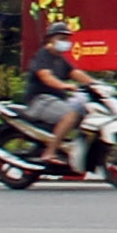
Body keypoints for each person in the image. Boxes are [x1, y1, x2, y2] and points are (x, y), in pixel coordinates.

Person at [25, 23, 95, 169]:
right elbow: (45, 76)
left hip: (57, 100)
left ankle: (72, 150)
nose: (65, 42)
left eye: (66, 39)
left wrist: (94, 84)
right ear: (50, 39)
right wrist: (64, 85)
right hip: (40, 100)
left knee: (86, 113)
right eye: (61, 38)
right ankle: (49, 153)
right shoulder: (43, 55)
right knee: (71, 115)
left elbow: (75, 73)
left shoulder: (60, 59)